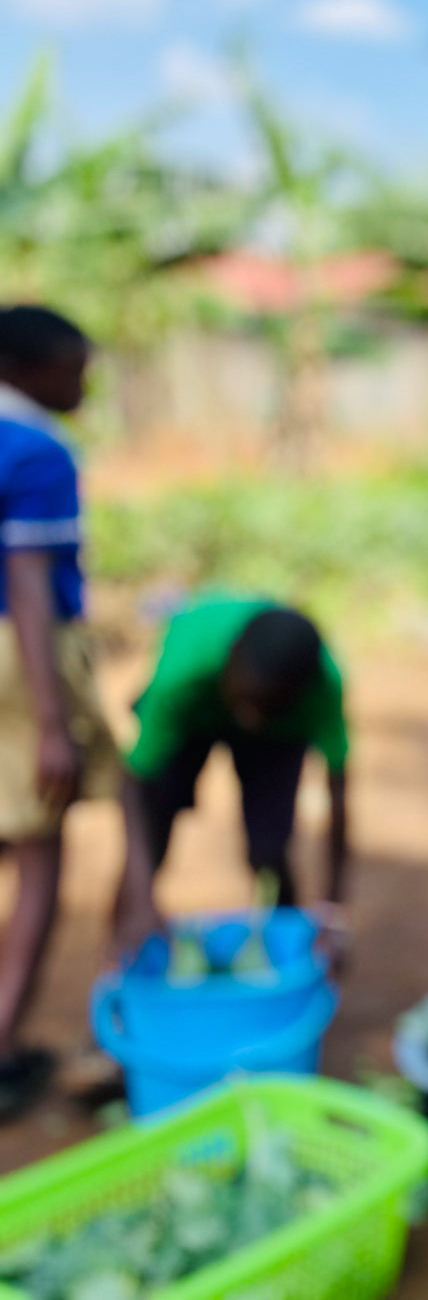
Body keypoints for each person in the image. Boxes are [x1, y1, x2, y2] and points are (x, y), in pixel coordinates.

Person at [0, 306, 125, 1121]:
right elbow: (31, 587)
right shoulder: (37, 451)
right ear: (29, 367)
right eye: (75, 369)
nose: (84, 384)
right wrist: (53, 723)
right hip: (19, 666)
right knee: (38, 861)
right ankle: (3, 1046)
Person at [117, 598, 351, 949]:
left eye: (266, 706)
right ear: (230, 658)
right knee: (153, 829)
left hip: (280, 734)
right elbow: (135, 781)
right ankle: (120, 942)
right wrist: (141, 893)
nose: (251, 719)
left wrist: (332, 913)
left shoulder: (321, 687)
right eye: (247, 701)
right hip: (197, 714)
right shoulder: (183, 674)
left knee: (270, 850)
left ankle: (288, 945)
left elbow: (339, 798)